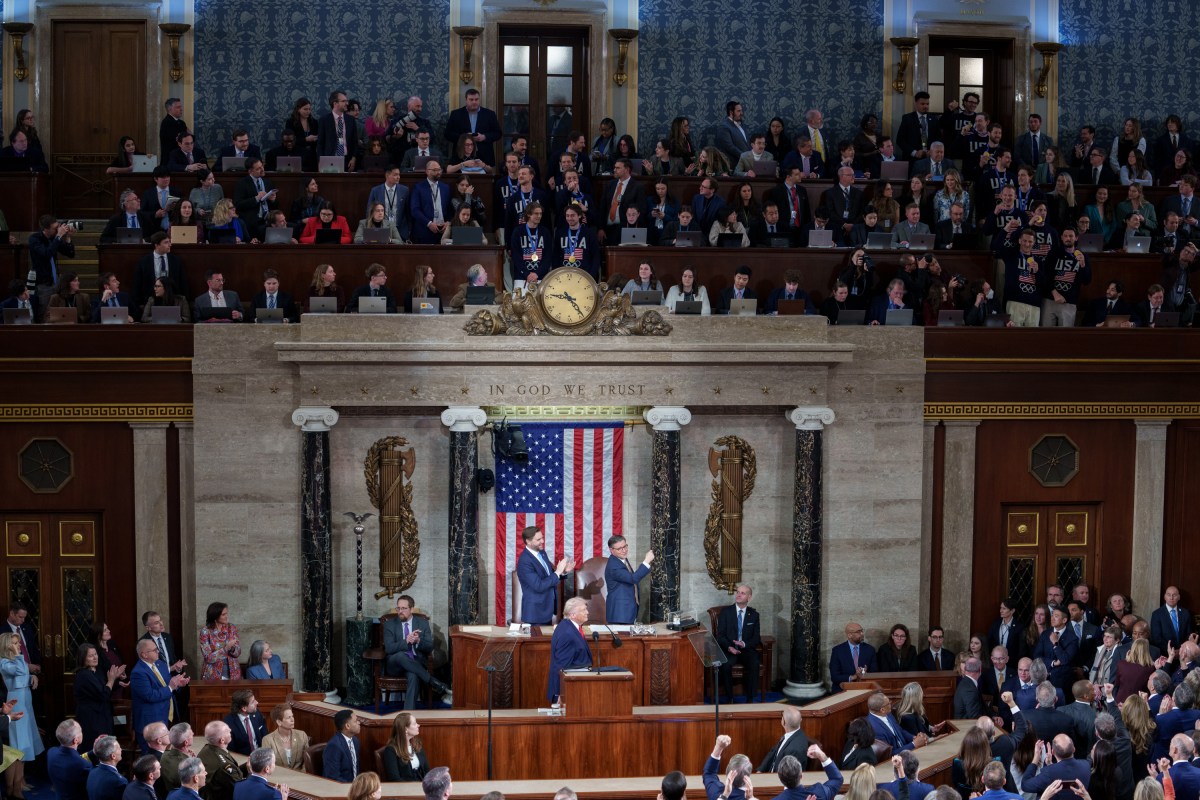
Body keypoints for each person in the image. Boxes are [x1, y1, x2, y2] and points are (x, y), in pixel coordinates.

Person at [384, 594, 450, 709]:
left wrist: (418, 640)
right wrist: (406, 641)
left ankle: (408, 714)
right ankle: (432, 681)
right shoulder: (389, 624)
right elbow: (389, 648)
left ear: (412, 609)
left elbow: (429, 646)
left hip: (415, 664)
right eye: (398, 608)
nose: (400, 611)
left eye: (404, 608)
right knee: (400, 655)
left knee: (413, 675)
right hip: (395, 665)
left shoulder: (422, 623)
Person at [130, 638, 189, 751]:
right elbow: (150, 695)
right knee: (152, 757)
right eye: (154, 650)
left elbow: (167, 685)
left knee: (165, 753)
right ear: (144, 654)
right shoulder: (138, 672)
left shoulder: (160, 664)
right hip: (151, 721)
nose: (158, 652)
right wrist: (171, 687)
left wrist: (177, 684)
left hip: (167, 715)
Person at [516, 524, 574, 625]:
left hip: (547, 609)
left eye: (542, 538)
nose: (542, 541)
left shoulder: (542, 553)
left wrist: (563, 571)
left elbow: (549, 576)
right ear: (528, 541)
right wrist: (558, 572)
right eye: (538, 540)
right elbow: (539, 586)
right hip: (535, 614)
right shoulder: (524, 561)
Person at [714, 584, 762, 703]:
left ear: (749, 597)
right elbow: (720, 636)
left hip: (746, 649)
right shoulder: (726, 612)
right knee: (725, 665)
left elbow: (756, 638)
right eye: (738, 592)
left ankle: (750, 698)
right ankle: (730, 697)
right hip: (729, 649)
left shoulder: (754, 615)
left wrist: (744, 644)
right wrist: (730, 647)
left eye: (742, 593)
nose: (739, 595)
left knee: (754, 662)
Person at [0, 633, 41, 764]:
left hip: (26, 698)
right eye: (15, 643)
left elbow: (23, 677)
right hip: (16, 700)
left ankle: (22, 780)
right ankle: (15, 783)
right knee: (19, 737)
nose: (19, 645)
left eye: (18, 643)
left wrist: (32, 678)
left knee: (27, 734)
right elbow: (17, 672)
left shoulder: (18, 660)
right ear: (8, 646)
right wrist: (18, 654)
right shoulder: (4, 662)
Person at [74, 642, 122, 747]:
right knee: (97, 747)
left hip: (102, 714)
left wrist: (115, 679)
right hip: (92, 718)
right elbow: (104, 693)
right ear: (83, 658)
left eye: (95, 654)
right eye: (91, 656)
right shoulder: (84, 675)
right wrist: (111, 680)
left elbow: (107, 689)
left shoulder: (97, 671)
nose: (95, 658)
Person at [547, 597, 594, 703]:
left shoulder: (569, 626)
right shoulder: (567, 634)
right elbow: (561, 666)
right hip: (569, 691)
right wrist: (559, 694)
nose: (587, 612)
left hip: (575, 686)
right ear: (572, 615)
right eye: (583, 610)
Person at [604, 535, 653, 625]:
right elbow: (633, 578)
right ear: (611, 550)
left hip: (627, 611)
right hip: (619, 614)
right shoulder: (614, 566)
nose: (624, 550)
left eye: (625, 546)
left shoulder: (621, 559)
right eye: (619, 549)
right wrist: (646, 561)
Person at [410, 160, 453, 244]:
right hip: (425, 231)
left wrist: (448, 222)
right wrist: (429, 223)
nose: (438, 172)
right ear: (427, 171)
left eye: (439, 170)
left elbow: (450, 208)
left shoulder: (445, 188)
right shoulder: (418, 188)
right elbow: (415, 210)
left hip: (443, 231)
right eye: (434, 170)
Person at [756, 707, 811, 772]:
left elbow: (788, 776)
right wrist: (760, 770)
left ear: (783, 722)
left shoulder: (794, 750)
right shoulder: (792, 734)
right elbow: (773, 752)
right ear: (801, 720)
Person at [198, 721, 243, 800]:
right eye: (227, 731)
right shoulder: (223, 765)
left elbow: (232, 772)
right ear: (222, 740)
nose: (230, 730)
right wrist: (251, 772)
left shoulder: (206, 749)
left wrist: (247, 766)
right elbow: (240, 787)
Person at [317, 89, 358, 172]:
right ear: (335, 103)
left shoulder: (351, 120)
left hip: (347, 160)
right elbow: (320, 143)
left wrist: (353, 158)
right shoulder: (324, 120)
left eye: (347, 101)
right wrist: (320, 161)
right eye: (344, 101)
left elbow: (355, 142)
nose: (347, 103)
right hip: (329, 159)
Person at [381, 712, 429, 782]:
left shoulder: (417, 744)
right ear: (405, 729)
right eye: (414, 724)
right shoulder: (391, 750)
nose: (418, 725)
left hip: (421, 785)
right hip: (405, 789)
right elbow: (394, 779)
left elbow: (426, 770)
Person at [199, 602, 241, 680]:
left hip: (233, 672)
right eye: (223, 614)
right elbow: (208, 657)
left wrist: (232, 648)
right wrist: (226, 648)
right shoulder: (205, 631)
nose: (226, 616)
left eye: (226, 614)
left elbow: (238, 652)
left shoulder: (231, 628)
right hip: (213, 674)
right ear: (215, 616)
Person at [703, 735, 753, 800]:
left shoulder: (716, 791)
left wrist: (719, 747)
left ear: (727, 771)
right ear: (748, 777)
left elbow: (709, 773)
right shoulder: (747, 797)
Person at [261, 704, 308, 772]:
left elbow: (306, 762)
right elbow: (267, 765)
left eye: (292, 716)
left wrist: (303, 774)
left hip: (300, 776)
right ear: (279, 722)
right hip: (278, 777)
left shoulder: (302, 735)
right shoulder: (267, 740)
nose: (292, 719)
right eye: (289, 717)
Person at [222, 689, 268, 756]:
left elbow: (265, 736)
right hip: (243, 759)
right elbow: (231, 750)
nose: (257, 702)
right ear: (244, 708)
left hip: (261, 756)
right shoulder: (228, 723)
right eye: (253, 702)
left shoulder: (257, 714)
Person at [324, 710, 362, 783]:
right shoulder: (334, 746)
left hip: (355, 787)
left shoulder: (355, 741)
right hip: (341, 788)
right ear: (347, 726)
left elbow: (355, 769)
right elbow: (333, 777)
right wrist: (351, 787)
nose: (359, 723)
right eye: (356, 721)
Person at [1151, 587, 1193, 653]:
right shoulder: (1157, 614)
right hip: (1165, 654)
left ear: (1179, 597)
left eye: (1174, 595)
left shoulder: (1185, 613)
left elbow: (1189, 634)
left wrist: (1181, 650)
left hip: (1184, 653)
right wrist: (1171, 651)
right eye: (1168, 595)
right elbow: (1157, 638)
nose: (1171, 598)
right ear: (1165, 597)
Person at [87, 736, 128, 800]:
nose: (121, 749)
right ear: (113, 756)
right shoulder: (119, 781)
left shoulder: (92, 772)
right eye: (118, 748)